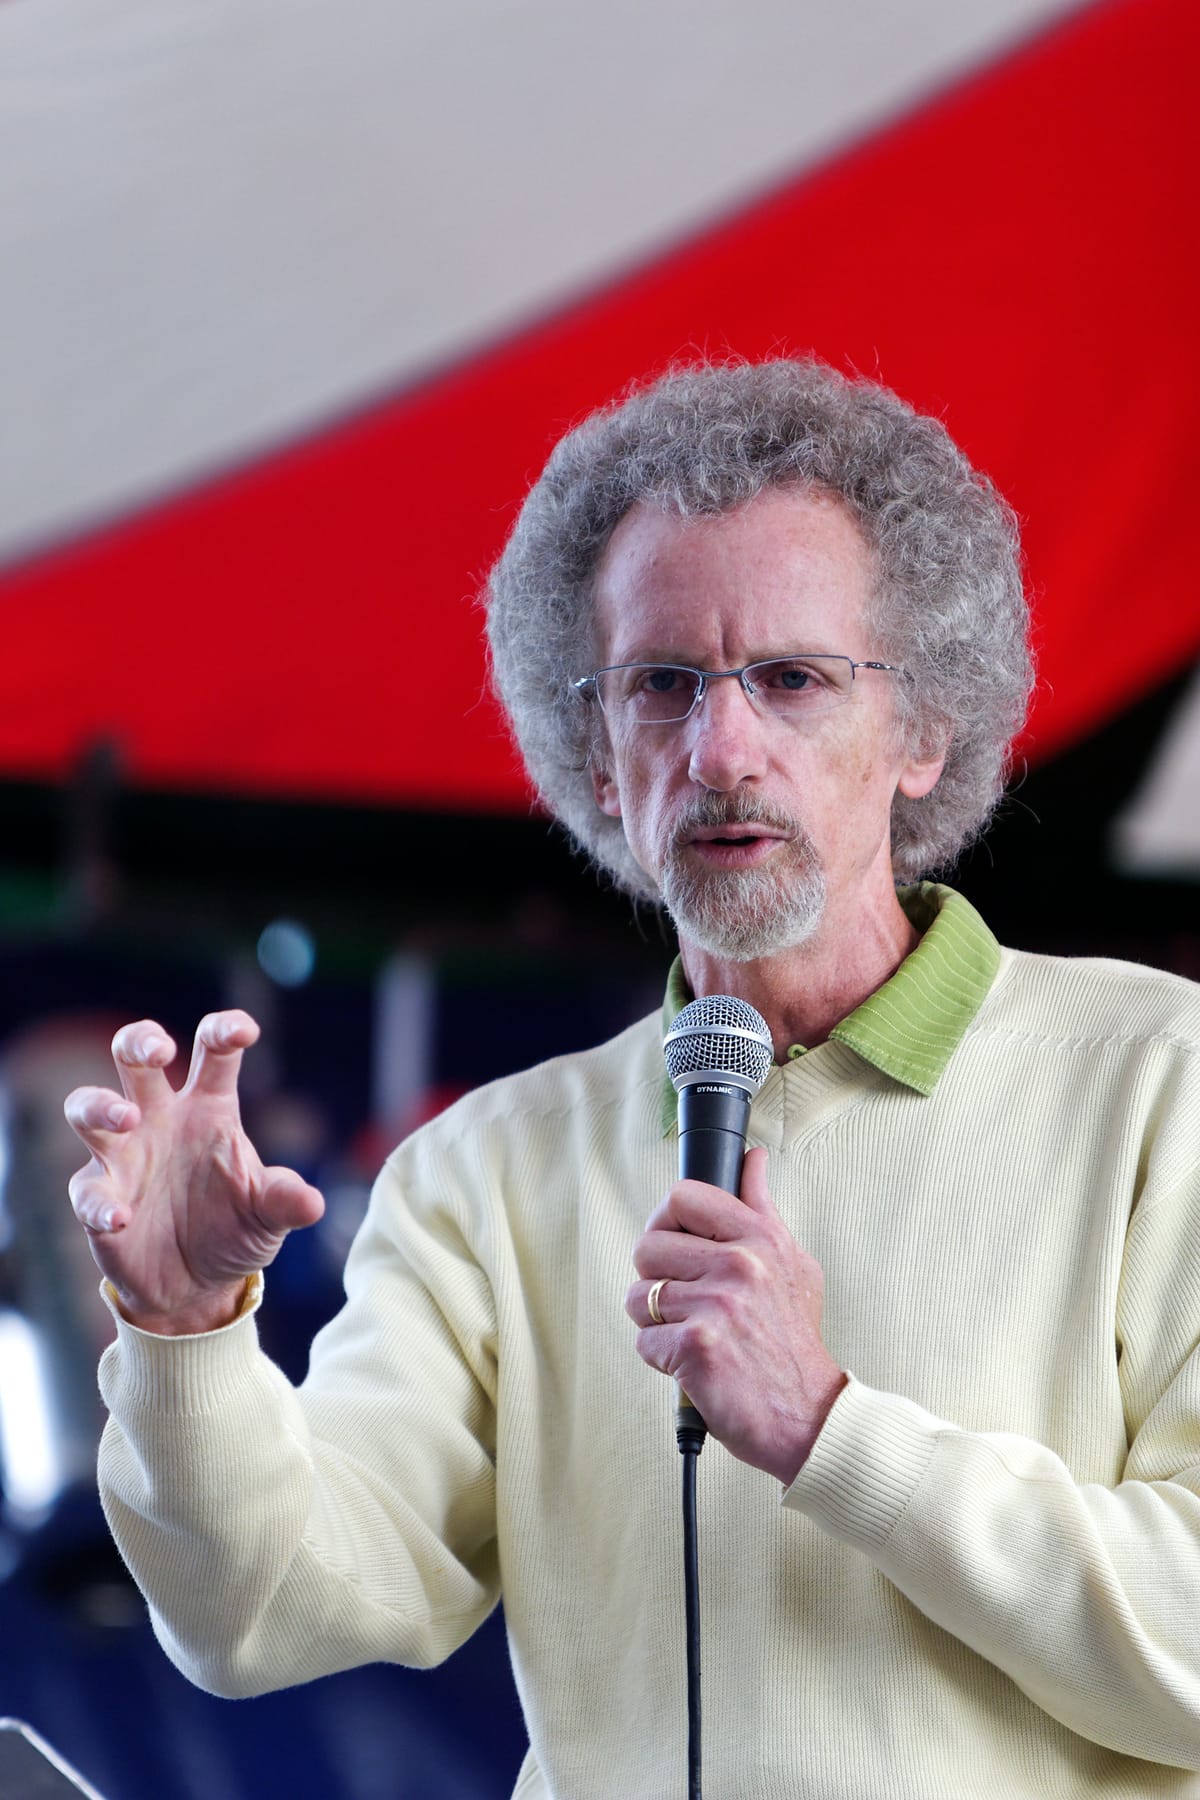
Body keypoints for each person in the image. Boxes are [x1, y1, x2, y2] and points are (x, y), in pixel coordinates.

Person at [66, 361, 1200, 1798]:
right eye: (662, 686)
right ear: (599, 756)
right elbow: (266, 1610)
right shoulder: (488, 1169)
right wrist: (184, 1341)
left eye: (792, 679)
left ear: (922, 732)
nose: (721, 751)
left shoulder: (1157, 1081)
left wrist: (830, 1429)